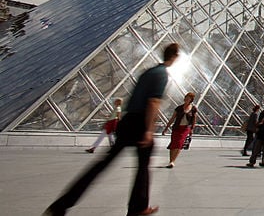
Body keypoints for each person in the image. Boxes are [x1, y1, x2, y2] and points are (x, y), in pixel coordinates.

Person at [47, 43, 179, 216]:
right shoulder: (162, 74)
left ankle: (61, 205)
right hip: (139, 123)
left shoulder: (149, 71)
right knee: (143, 165)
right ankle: (138, 208)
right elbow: (153, 102)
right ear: (174, 56)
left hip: (127, 120)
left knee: (102, 164)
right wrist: (148, 130)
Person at [162, 91, 197, 168]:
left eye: (188, 98)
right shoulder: (179, 108)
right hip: (177, 127)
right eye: (186, 98)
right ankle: (170, 161)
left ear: (191, 100)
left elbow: (194, 119)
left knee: (179, 144)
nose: (186, 99)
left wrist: (192, 129)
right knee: (173, 144)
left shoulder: (193, 109)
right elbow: (172, 119)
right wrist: (166, 128)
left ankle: (173, 161)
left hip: (185, 128)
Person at [246, 99, 264, 167]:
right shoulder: (263, 112)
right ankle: (253, 161)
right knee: (257, 148)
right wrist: (261, 123)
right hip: (261, 132)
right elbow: (259, 121)